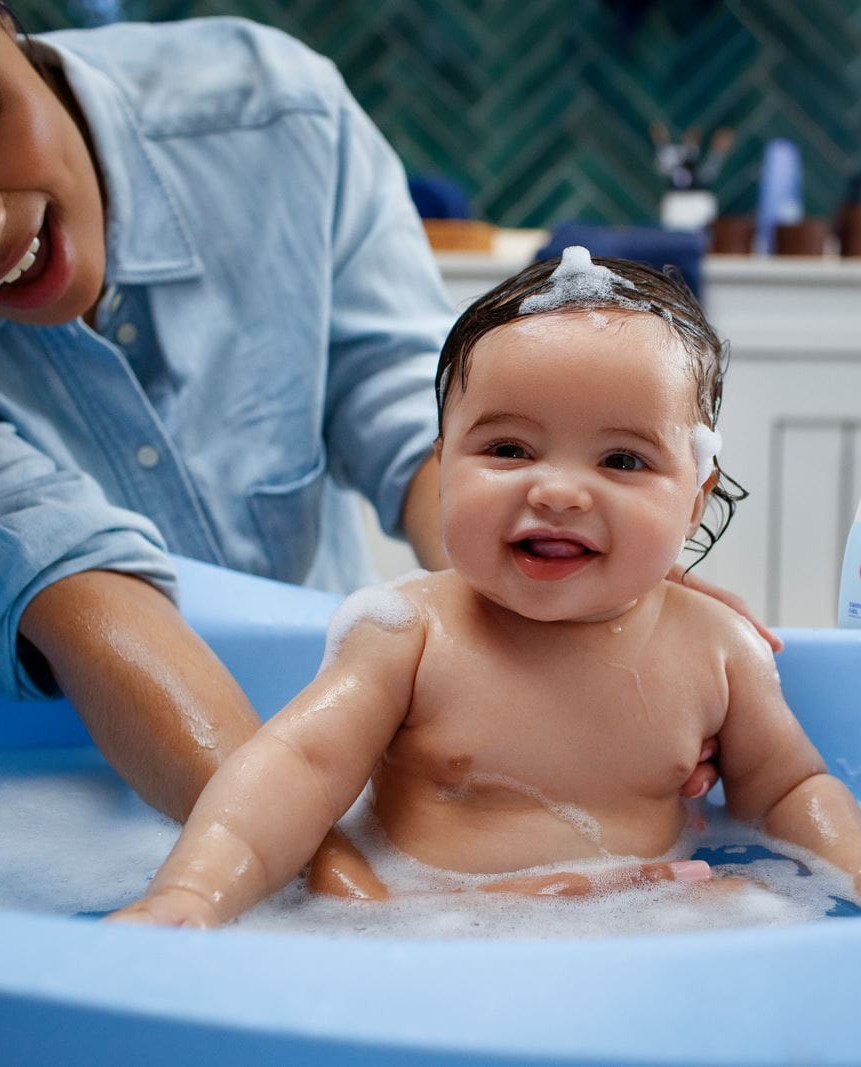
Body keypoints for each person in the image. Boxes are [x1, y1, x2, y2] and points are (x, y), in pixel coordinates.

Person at [0, 11, 742, 823]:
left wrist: (582, 603)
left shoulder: (273, 117)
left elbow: (412, 410)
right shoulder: (395, 644)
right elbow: (61, 567)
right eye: (514, 453)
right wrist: (317, 875)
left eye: (623, 459)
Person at [111, 249, 861, 928]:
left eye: (623, 461)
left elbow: (788, 790)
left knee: (738, 905)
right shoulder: (411, 634)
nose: (558, 490)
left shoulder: (719, 649)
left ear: (696, 499)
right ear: (444, 466)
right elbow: (295, 772)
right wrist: (195, 893)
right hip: (432, 933)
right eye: (509, 449)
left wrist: (848, 867)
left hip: (647, 926)